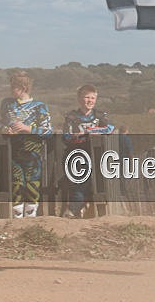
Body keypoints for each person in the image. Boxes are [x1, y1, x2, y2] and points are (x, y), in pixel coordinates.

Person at [0, 71, 52, 218]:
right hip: (12, 150)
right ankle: (17, 217)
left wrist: (28, 128)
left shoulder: (39, 106)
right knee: (16, 182)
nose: (11, 90)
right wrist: (4, 129)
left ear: (24, 87)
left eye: (14, 87)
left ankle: (31, 217)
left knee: (32, 182)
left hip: (32, 151)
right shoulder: (7, 104)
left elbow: (48, 131)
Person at [62, 84, 114, 218]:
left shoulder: (100, 116)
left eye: (92, 98)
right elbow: (66, 136)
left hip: (97, 156)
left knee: (98, 185)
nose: (90, 100)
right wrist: (78, 136)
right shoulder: (71, 117)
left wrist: (92, 131)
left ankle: (98, 214)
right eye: (86, 97)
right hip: (77, 156)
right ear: (79, 98)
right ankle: (73, 212)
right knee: (78, 184)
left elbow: (110, 129)